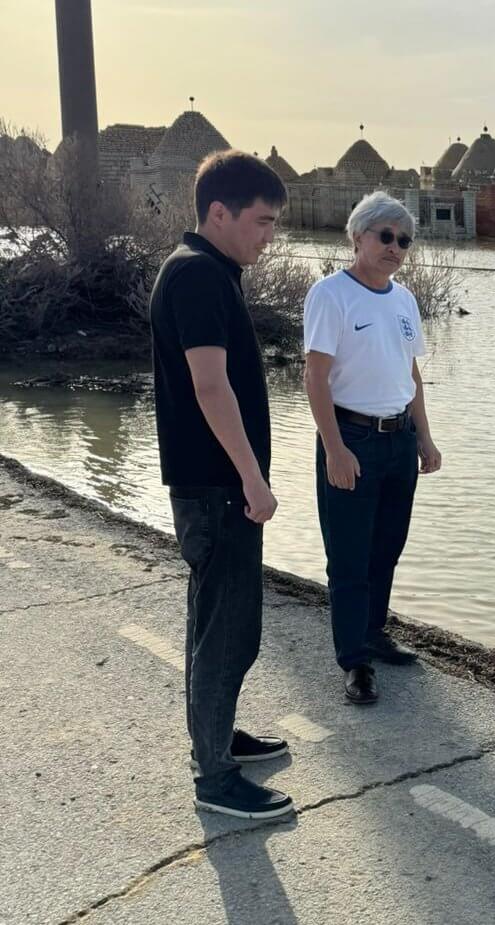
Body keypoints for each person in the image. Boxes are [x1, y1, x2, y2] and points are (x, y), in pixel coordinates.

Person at [150, 150, 293, 819]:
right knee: (229, 632)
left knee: (214, 624)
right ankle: (215, 778)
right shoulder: (200, 277)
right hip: (217, 487)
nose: (269, 234)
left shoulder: (207, 272)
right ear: (219, 212)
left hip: (211, 485)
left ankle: (215, 739)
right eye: (262, 221)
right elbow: (210, 386)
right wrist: (252, 479)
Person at [303, 191, 441, 704]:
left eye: (403, 240)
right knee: (349, 556)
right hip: (352, 437)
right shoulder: (331, 294)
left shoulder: (404, 300)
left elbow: (412, 374)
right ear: (358, 236)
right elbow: (315, 378)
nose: (395, 248)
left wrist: (425, 438)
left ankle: (374, 633)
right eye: (385, 237)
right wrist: (334, 449)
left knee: (387, 546)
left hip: (398, 438)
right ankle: (354, 661)